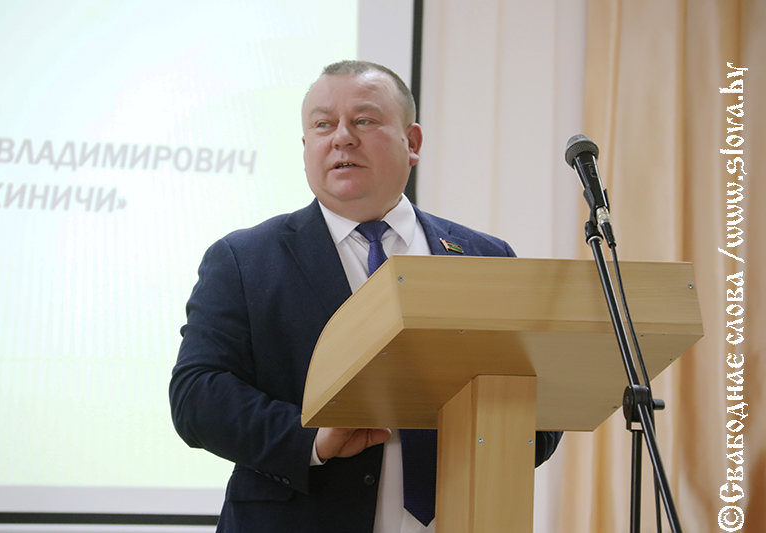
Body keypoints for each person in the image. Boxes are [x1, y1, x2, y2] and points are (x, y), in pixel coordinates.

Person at [169, 60, 562, 533]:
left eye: (364, 120)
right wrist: (311, 437)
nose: (342, 138)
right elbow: (196, 395)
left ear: (412, 142)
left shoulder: (486, 258)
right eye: (322, 125)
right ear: (306, 147)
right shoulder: (244, 260)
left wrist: (491, 435)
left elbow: (542, 405)